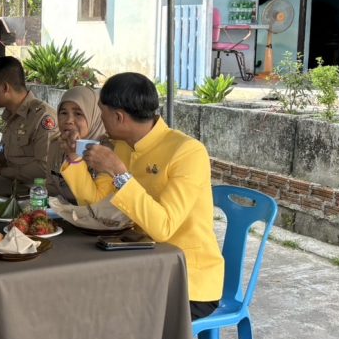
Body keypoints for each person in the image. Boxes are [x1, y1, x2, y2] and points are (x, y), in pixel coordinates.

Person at [60, 73, 222, 319]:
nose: (100, 119)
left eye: (102, 112)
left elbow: (163, 228)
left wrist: (119, 173)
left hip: (187, 280)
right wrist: (74, 159)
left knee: (110, 314)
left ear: (118, 117)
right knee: (81, 296)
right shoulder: (123, 146)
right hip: (137, 262)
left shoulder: (187, 152)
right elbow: (96, 205)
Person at [0, 56, 57, 182]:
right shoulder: (12, 114)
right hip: (11, 185)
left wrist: (1, 171)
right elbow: (14, 158)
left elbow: (44, 168)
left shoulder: (42, 117)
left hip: (31, 190)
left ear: (5, 88)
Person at [46, 86, 107, 203]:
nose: (69, 120)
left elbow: (96, 203)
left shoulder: (106, 150)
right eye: (64, 113)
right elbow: (51, 190)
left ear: (93, 115)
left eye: (78, 114)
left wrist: (74, 156)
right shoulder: (56, 145)